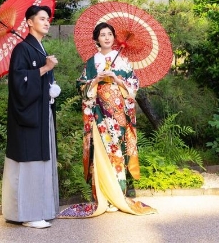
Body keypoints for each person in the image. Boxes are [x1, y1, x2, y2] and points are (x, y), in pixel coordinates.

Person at [58, 22, 156, 218]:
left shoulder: (124, 62)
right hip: (98, 115)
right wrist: (95, 80)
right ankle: (102, 195)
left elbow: (133, 86)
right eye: (102, 34)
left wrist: (117, 79)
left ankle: (118, 194)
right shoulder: (91, 62)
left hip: (118, 115)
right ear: (97, 39)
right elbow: (82, 89)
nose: (107, 37)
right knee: (100, 153)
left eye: (110, 34)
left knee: (117, 153)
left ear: (114, 38)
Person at [2, 5, 60, 229]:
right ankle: (27, 213)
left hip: (40, 112)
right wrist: (45, 69)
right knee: (28, 163)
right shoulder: (21, 49)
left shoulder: (39, 49)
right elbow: (18, 83)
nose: (47, 22)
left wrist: (52, 89)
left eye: (48, 19)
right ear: (29, 22)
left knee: (39, 162)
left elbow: (39, 80)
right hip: (26, 117)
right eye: (42, 19)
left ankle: (40, 209)